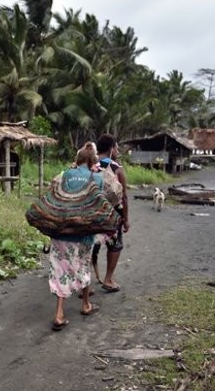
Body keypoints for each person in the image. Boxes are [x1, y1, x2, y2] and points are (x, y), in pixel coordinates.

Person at [48, 142, 101, 331]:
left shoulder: (65, 175)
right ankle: (85, 304)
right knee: (83, 265)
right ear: (92, 160)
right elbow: (97, 206)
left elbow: (54, 195)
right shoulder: (96, 178)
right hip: (83, 233)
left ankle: (59, 314)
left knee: (61, 270)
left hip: (61, 230)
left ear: (77, 159)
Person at [91, 134, 130, 293]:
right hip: (112, 215)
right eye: (117, 146)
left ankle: (84, 284)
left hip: (90, 213)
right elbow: (124, 197)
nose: (118, 150)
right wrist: (126, 219)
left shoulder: (88, 164)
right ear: (111, 148)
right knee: (115, 245)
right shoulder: (117, 168)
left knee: (89, 246)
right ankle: (108, 279)